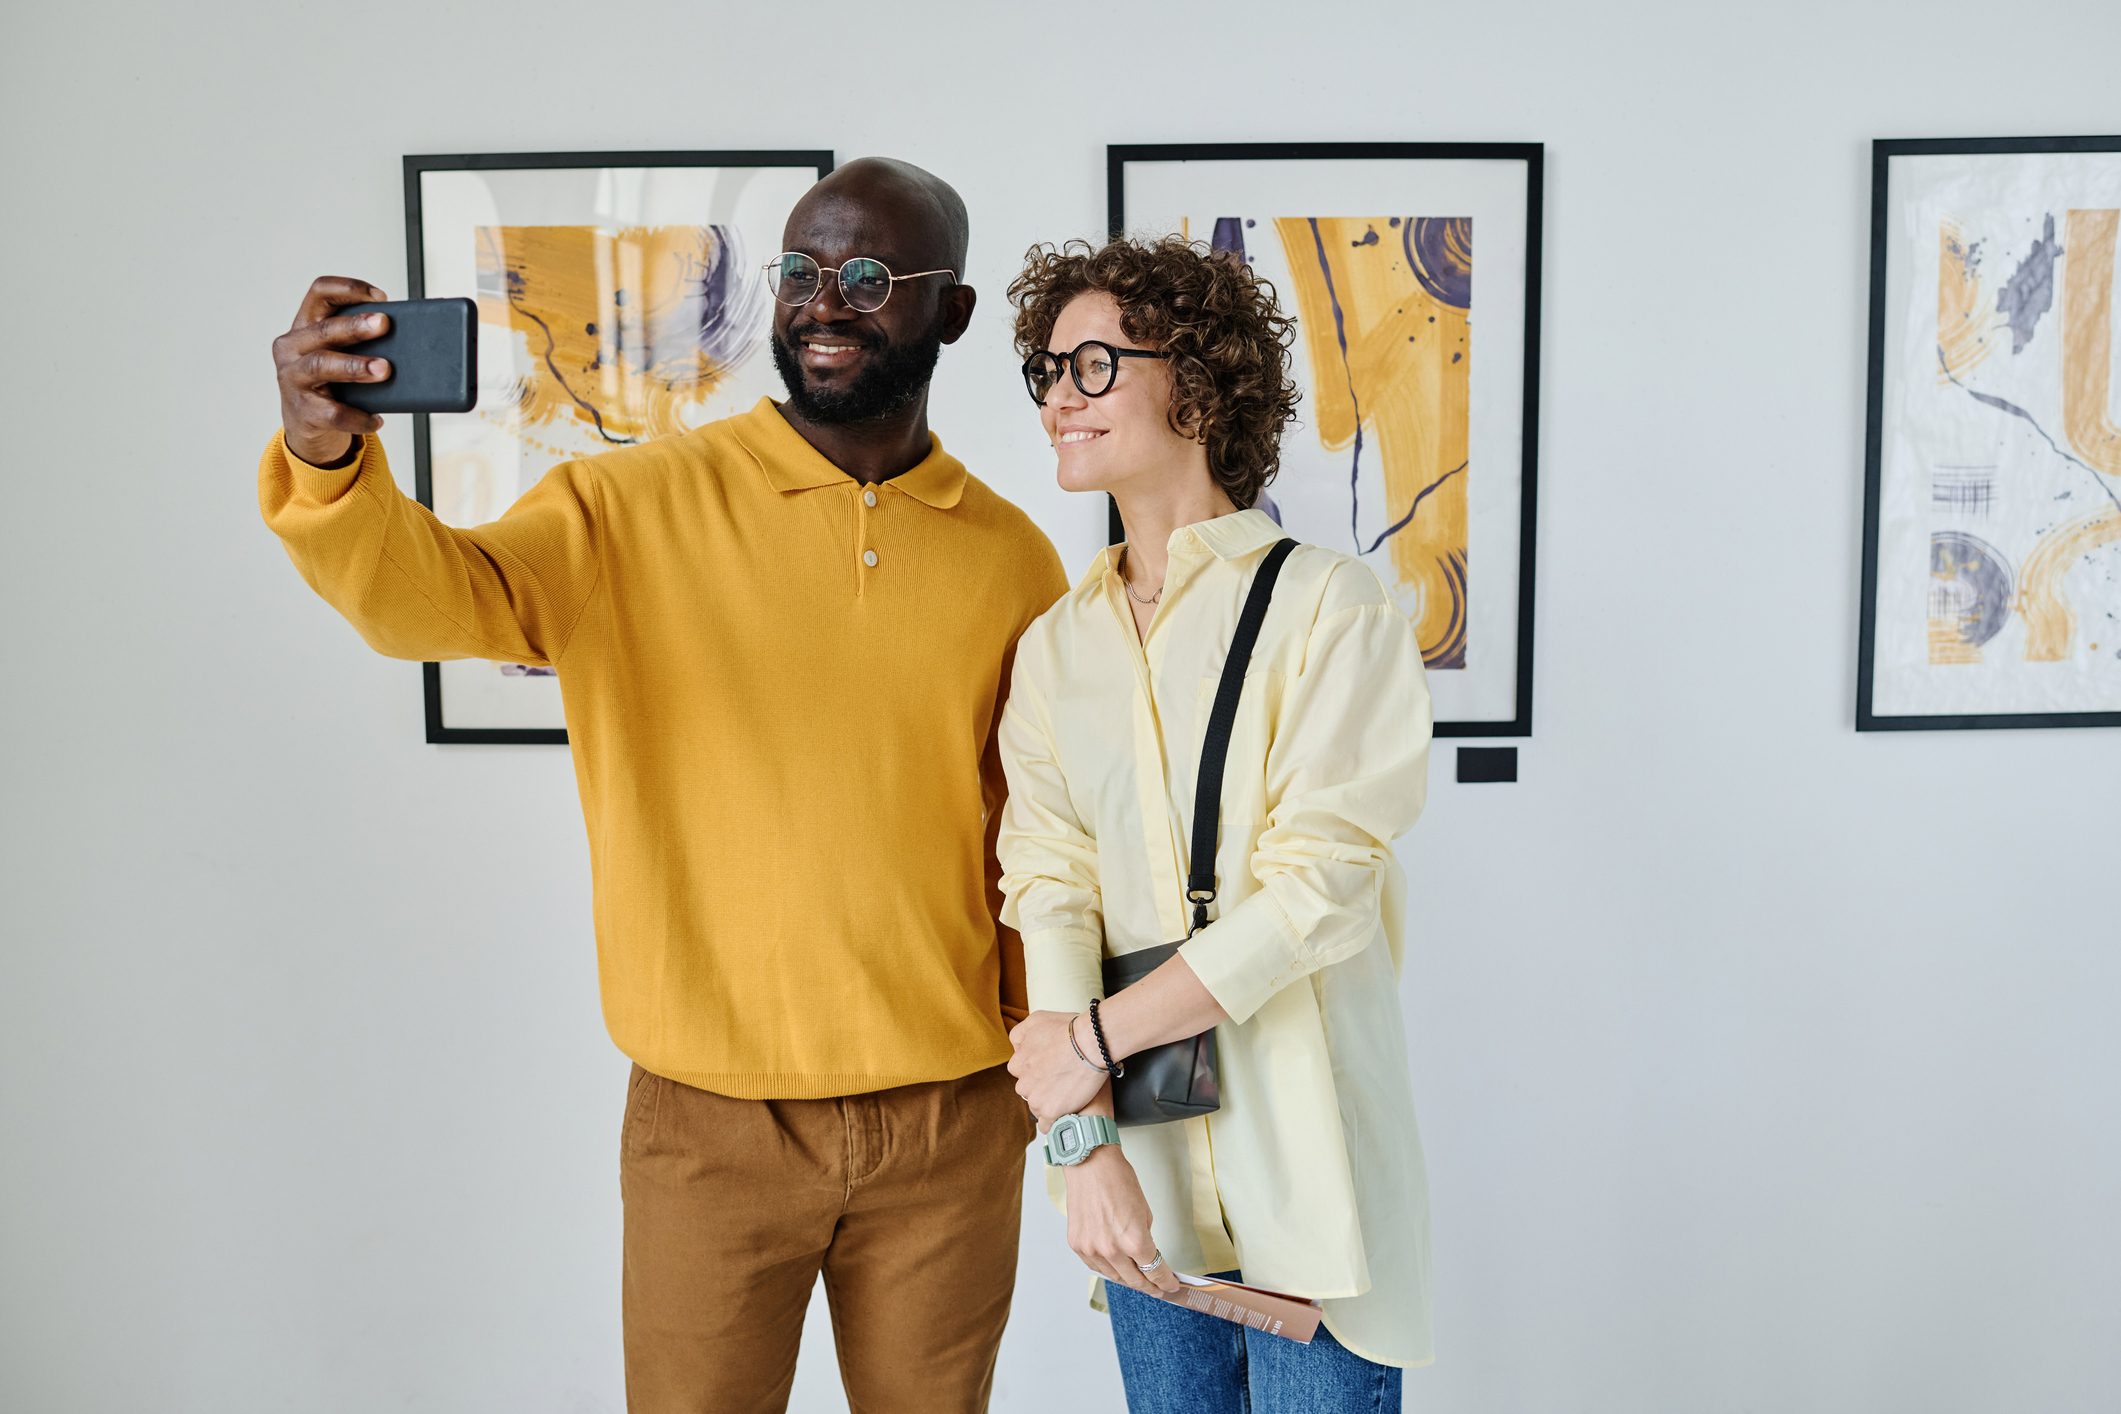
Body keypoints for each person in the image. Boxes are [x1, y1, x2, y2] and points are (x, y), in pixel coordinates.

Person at [259, 158, 1067, 1413]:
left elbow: (1035, 840)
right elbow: (430, 601)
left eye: (867, 276)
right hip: (712, 1131)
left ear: (950, 311)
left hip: (949, 1125)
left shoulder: (1011, 558)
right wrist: (326, 459)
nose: (824, 303)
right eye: (800, 272)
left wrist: (1040, 1068)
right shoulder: (626, 507)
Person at [997, 235, 1435, 1412]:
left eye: (1094, 365)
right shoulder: (1055, 650)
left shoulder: (1331, 607)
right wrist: (1085, 1147)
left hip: (1311, 1173)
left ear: (1197, 384)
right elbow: (1050, 892)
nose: (1058, 398)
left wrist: (1089, 1043)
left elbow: (1318, 894)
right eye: (1046, 371)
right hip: (1140, 1186)